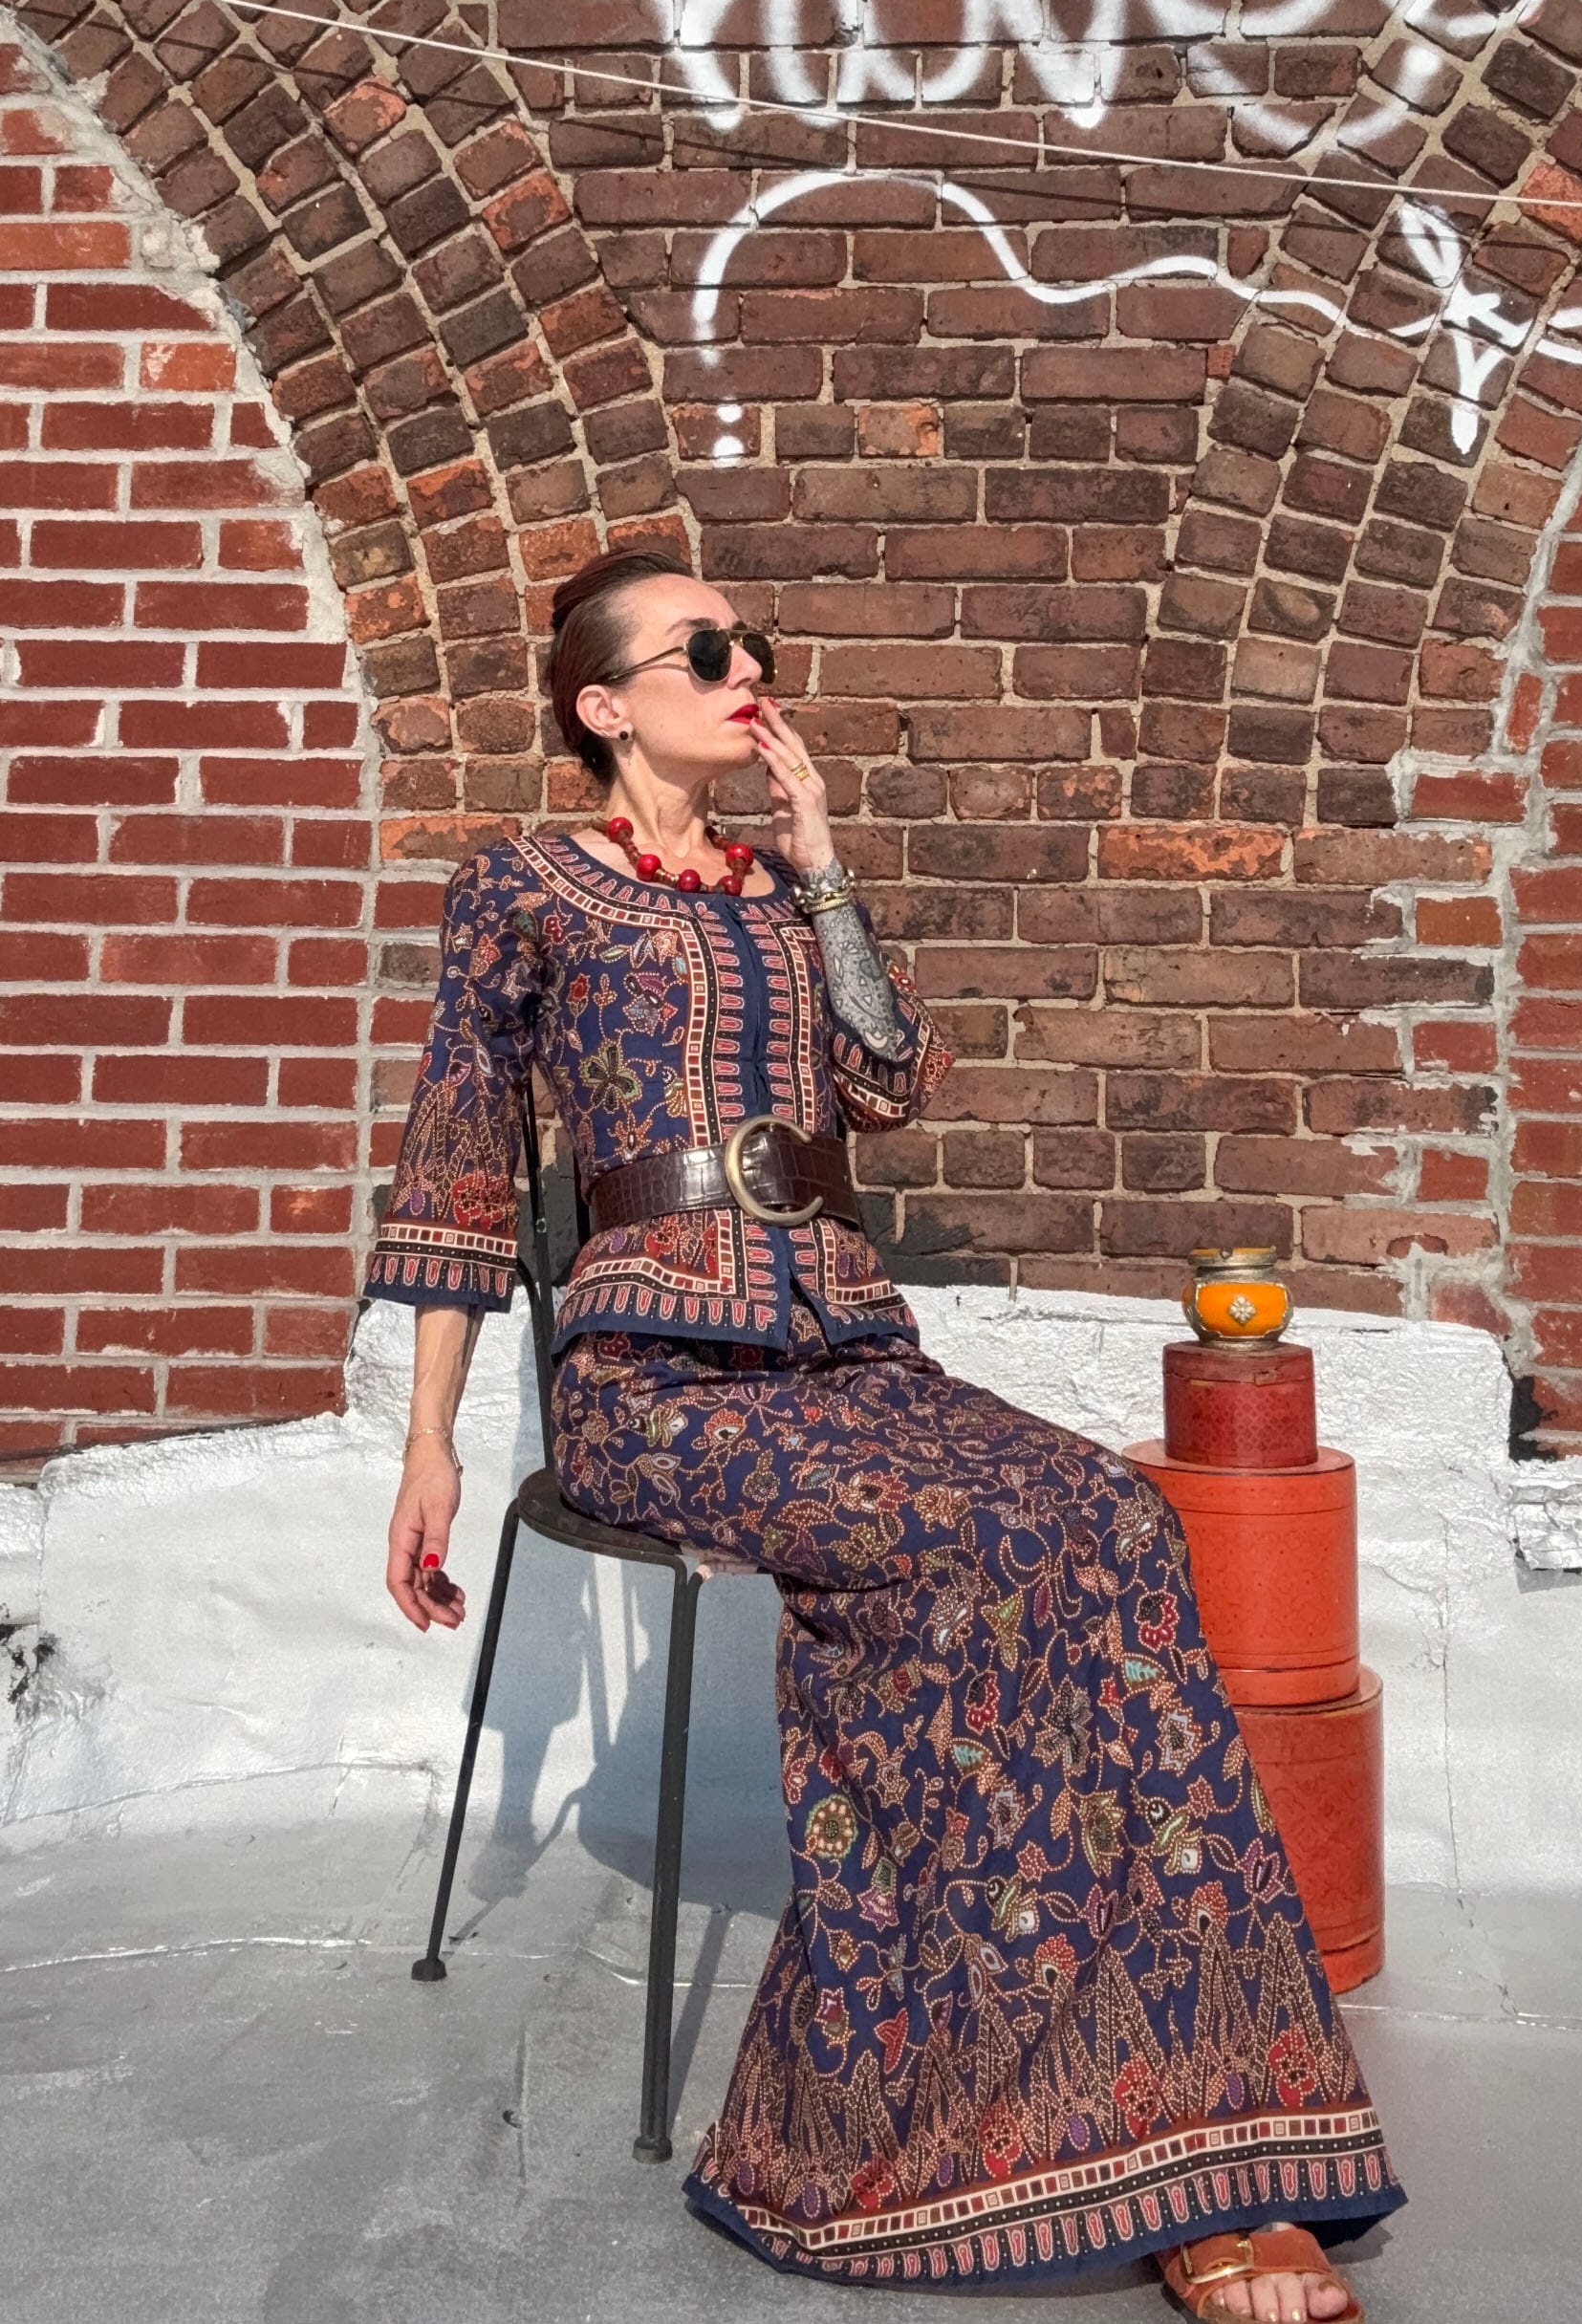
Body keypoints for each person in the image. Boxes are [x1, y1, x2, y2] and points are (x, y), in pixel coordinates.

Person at [367, 546, 1403, 2318]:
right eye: (700, 648)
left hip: (848, 1352)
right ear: (602, 705)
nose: (740, 665)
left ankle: (1202, 2127)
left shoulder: (779, 893)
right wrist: (433, 1447)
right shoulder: (524, 888)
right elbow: (461, 1161)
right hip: (656, 1385)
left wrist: (829, 863)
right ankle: (949, 2112)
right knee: (973, 1548)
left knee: (1105, 1519)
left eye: (749, 641)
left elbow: (891, 1080)